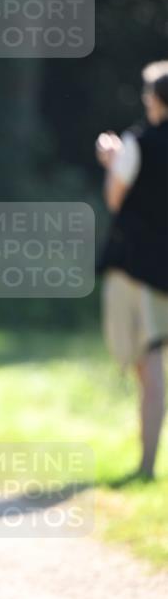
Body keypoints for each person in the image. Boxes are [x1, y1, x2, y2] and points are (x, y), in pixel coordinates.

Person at [95, 61, 168, 483]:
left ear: (156, 99)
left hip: (135, 267)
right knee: (153, 358)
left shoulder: (137, 143)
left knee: (147, 361)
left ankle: (146, 465)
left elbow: (115, 199)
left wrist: (113, 162)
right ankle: (147, 463)